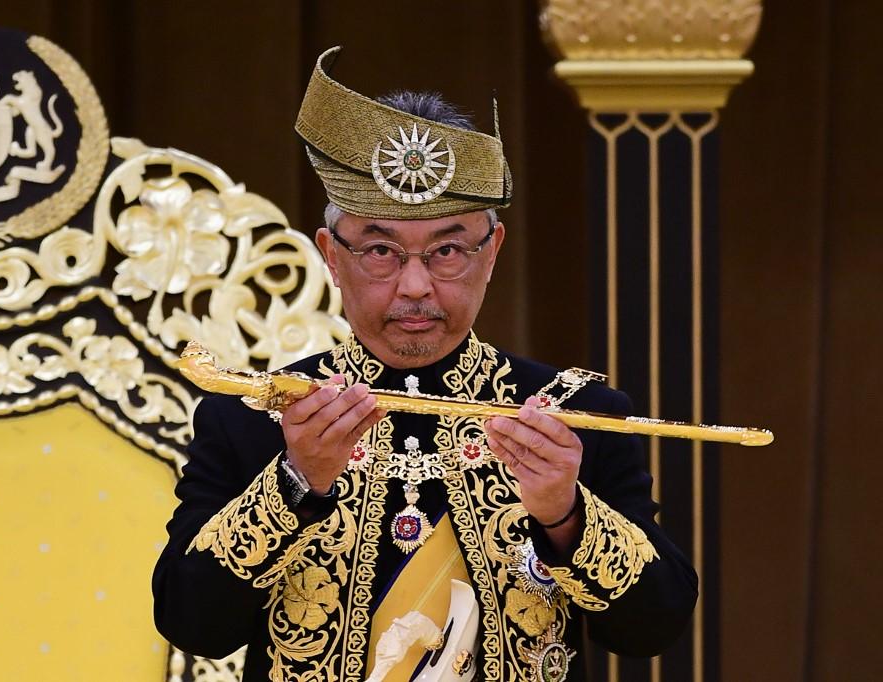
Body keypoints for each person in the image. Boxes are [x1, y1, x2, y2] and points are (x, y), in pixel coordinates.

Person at [153, 47, 697, 682]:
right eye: (381, 249)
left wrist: (563, 512)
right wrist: (296, 483)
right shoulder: (252, 417)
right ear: (332, 253)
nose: (414, 286)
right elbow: (192, 624)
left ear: (491, 250)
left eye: (447, 251)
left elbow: (654, 629)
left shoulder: (573, 415)